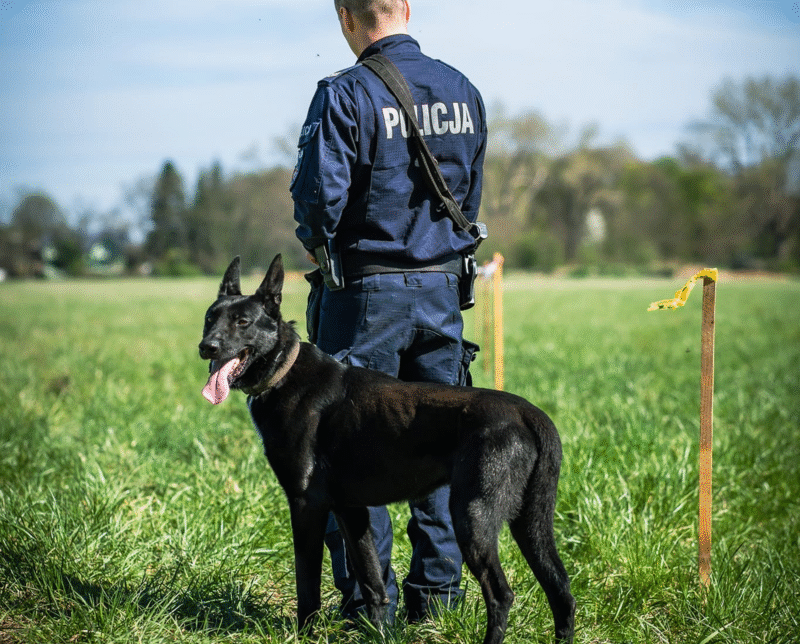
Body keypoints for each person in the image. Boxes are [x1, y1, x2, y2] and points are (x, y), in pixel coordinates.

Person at [290, 0, 487, 625]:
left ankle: (370, 610)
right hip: (443, 293)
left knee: (349, 455)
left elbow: (317, 202)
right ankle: (440, 603)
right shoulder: (463, 90)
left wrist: (322, 245)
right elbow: (469, 198)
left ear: (345, 17)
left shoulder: (344, 94)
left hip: (363, 298)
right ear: (405, 7)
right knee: (442, 445)